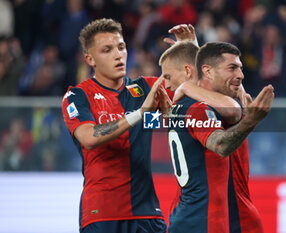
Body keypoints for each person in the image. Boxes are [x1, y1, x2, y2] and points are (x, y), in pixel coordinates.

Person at [61, 18, 197, 233]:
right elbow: (89, 138)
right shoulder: (78, 95)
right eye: (107, 50)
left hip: (147, 213)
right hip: (102, 214)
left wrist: (192, 53)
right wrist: (140, 113)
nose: (118, 55)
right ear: (90, 59)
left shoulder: (145, 88)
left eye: (121, 47)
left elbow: (193, 89)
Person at [159, 41, 273, 233]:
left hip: (195, 216)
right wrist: (250, 121)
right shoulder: (198, 109)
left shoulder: (198, 107)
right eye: (233, 68)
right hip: (206, 220)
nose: (167, 83)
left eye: (169, 77)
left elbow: (232, 107)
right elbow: (221, 142)